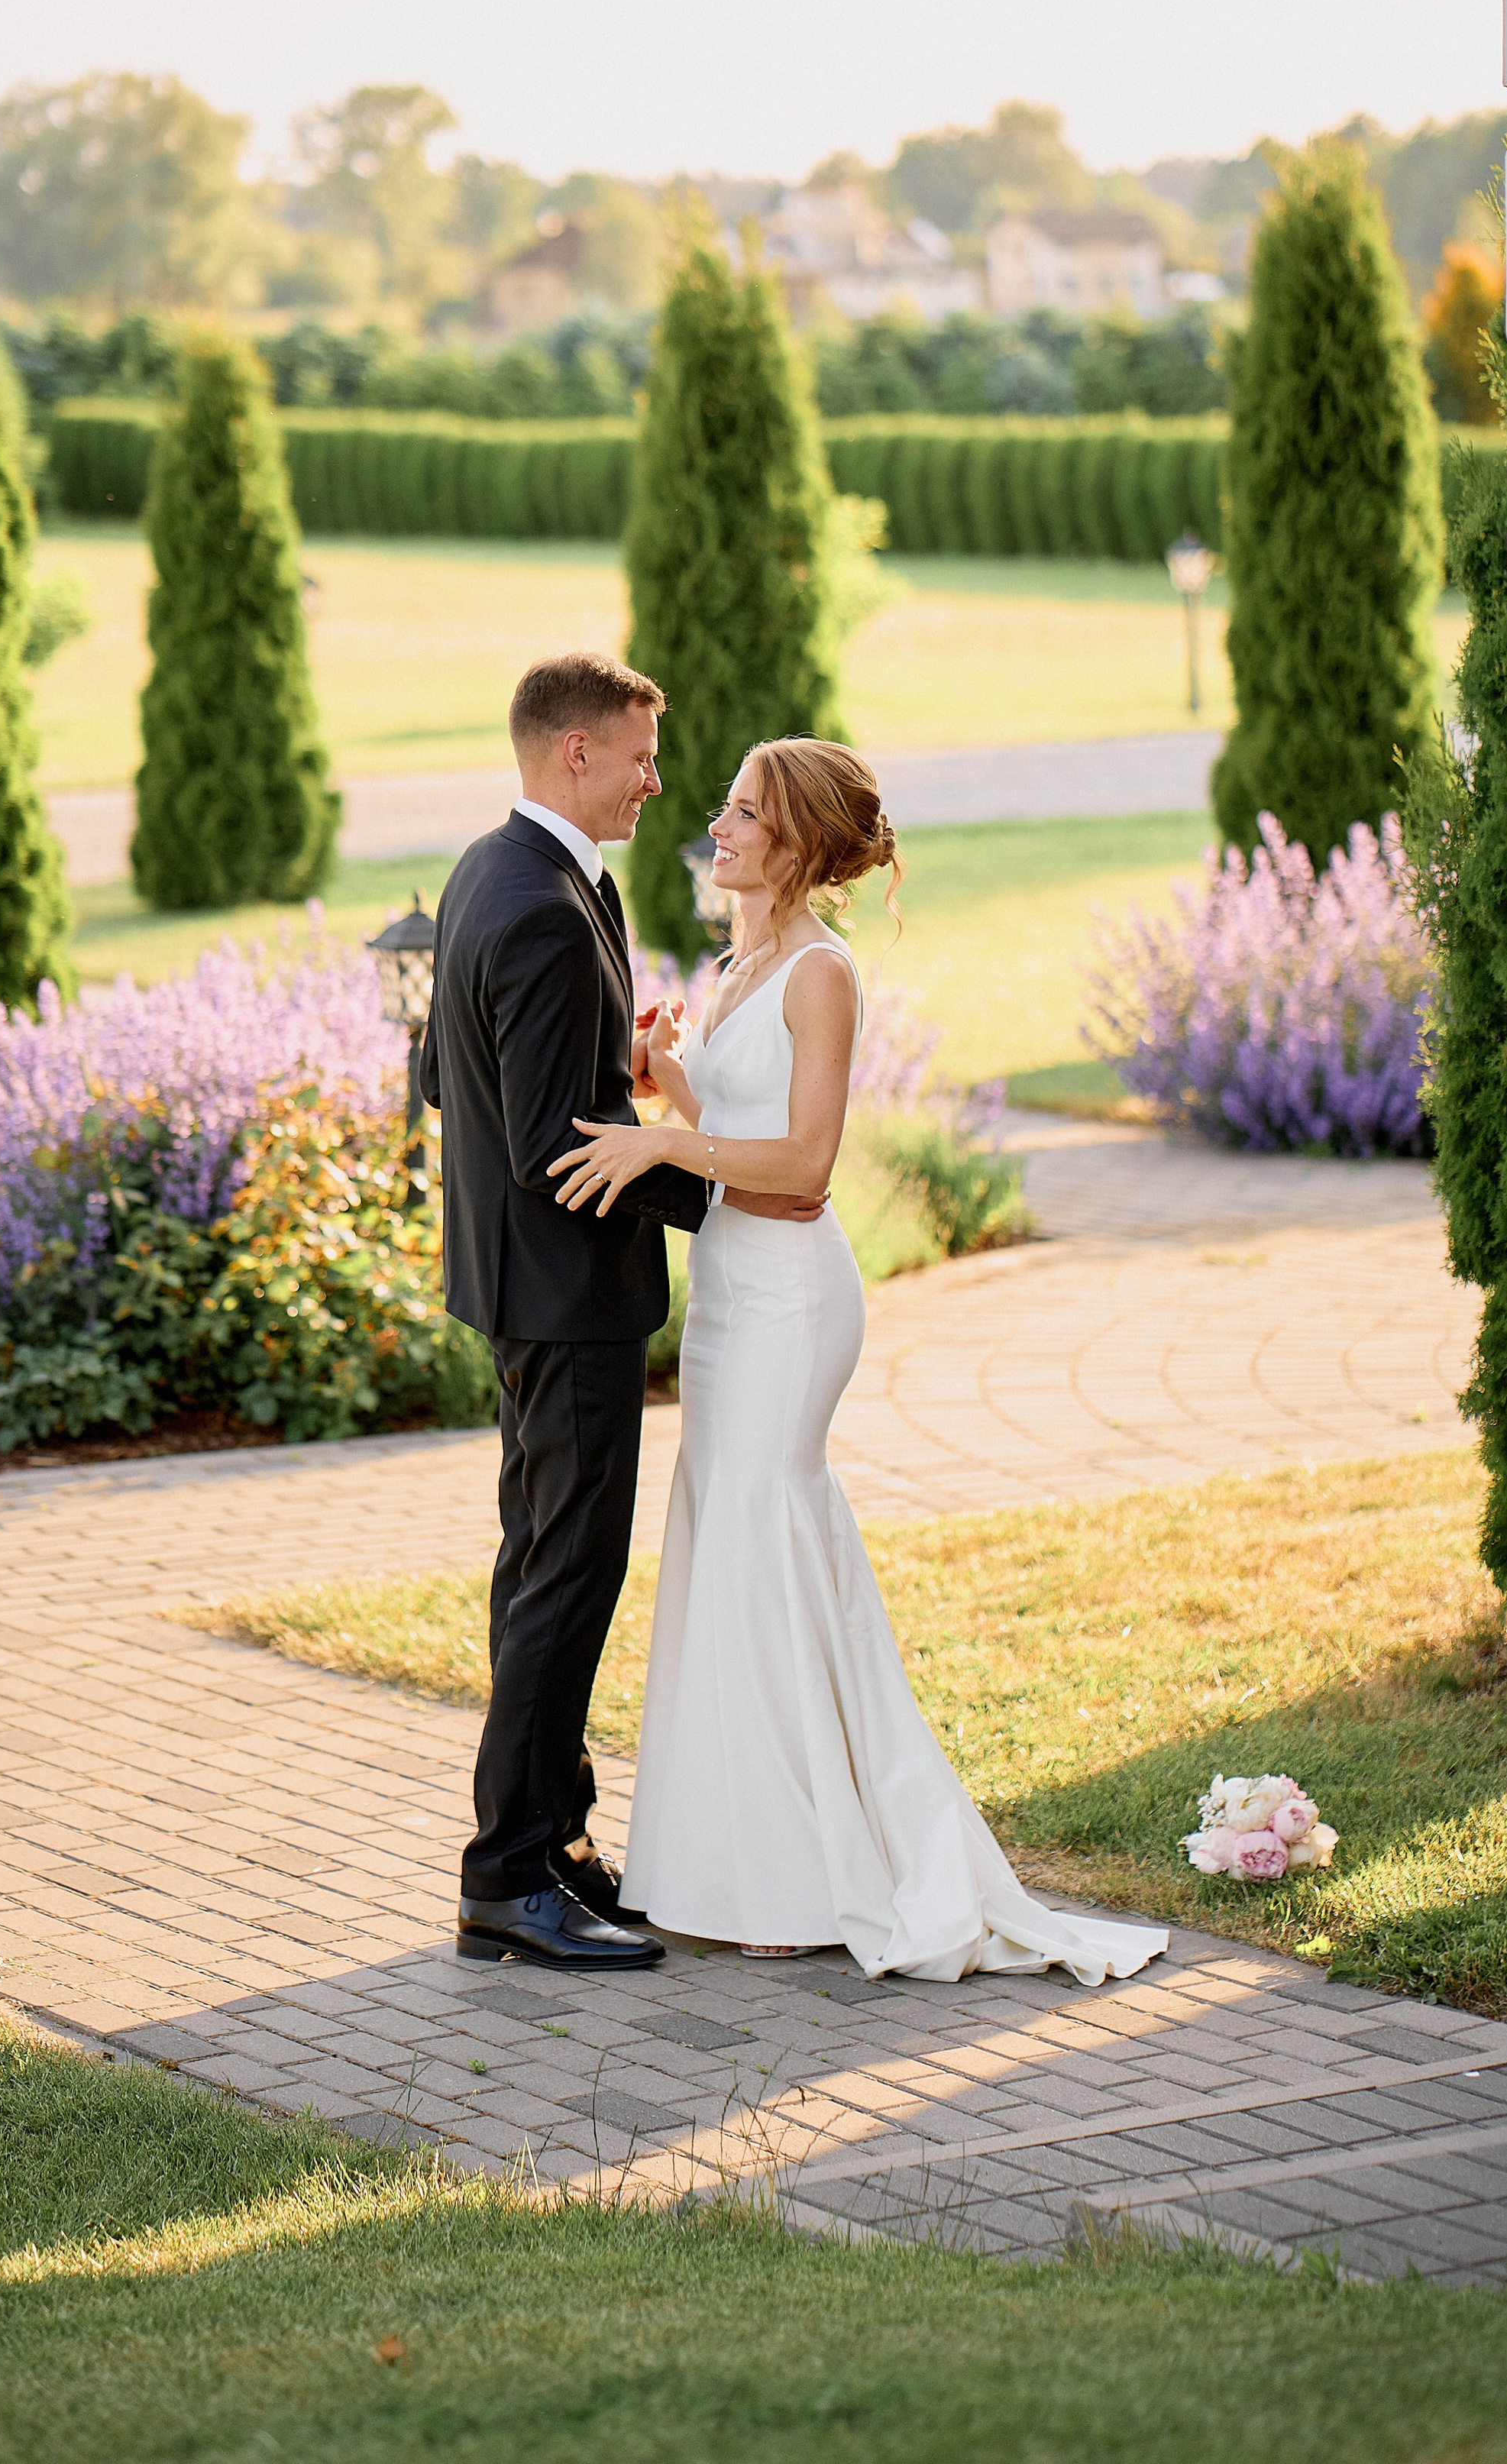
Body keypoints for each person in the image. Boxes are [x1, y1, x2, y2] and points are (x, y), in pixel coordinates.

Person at [550, 736, 1168, 1985]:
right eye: (720, 806)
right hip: (731, 1293)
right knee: (727, 1542)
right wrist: (666, 1078)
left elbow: (805, 1169)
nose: (713, 827)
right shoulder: (741, 965)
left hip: (790, 1299)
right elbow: (737, 1128)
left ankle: (806, 1868)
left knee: (768, 1535)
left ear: (797, 844)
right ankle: (727, 1859)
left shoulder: (819, 975)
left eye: (738, 813)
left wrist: (663, 1150)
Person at [419, 655, 823, 1974]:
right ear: (575, 754)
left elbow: (440, 1074)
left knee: (538, 1563)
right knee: (565, 1576)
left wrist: (633, 1082)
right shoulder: (537, 903)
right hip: (567, 1296)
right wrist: (703, 1186)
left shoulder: (495, 869)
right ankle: (505, 1879)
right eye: (644, 757)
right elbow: (550, 1141)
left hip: (518, 1289)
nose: (662, 783)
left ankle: (556, 1842)